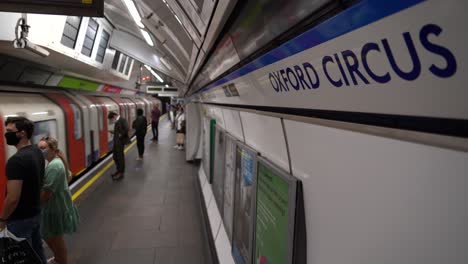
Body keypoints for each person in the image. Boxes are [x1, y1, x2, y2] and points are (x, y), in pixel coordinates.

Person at [0, 116, 47, 263]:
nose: (6, 134)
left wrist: (2, 220)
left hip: (19, 220)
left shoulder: (16, 161)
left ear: (22, 133)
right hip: (35, 213)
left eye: (9, 131)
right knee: (37, 252)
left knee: (20, 257)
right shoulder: (36, 152)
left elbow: (13, 198)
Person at [38, 137, 79, 264]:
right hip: (58, 205)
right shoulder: (56, 162)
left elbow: (47, 193)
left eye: (43, 148)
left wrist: (35, 204)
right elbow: (69, 176)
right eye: (38, 148)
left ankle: (61, 260)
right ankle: (59, 259)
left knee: (54, 237)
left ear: (53, 149)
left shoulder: (54, 166)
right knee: (53, 236)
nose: (40, 151)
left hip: (54, 208)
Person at [108, 111, 129, 180]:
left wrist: (120, 135)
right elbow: (119, 130)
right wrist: (114, 132)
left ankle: (121, 173)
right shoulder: (118, 121)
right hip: (116, 142)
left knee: (120, 157)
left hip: (120, 142)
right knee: (115, 156)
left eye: (112, 119)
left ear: (114, 116)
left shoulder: (122, 120)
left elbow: (126, 128)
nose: (112, 120)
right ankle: (118, 170)